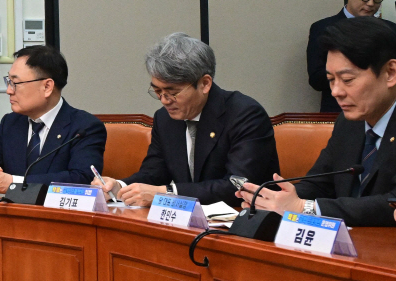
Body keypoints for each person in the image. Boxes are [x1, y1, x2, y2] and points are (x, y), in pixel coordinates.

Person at [239, 17, 396, 227]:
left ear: (390, 73)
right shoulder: (350, 122)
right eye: (331, 80)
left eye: (347, 80)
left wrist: (305, 208)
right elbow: (318, 185)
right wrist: (272, 201)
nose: (336, 92)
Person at [94, 33, 278, 207]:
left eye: (172, 92)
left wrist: (168, 193)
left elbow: (238, 186)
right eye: (157, 91)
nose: (164, 100)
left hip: (244, 218)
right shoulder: (164, 118)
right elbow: (154, 173)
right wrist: (119, 187)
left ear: (205, 84)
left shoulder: (245, 114)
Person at [0, 45, 106, 194]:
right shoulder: (10, 123)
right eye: (8, 81)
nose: (9, 90)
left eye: (15, 83)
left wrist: (13, 183)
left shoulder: (84, 127)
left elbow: (83, 179)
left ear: (47, 87)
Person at [307, 0, 396, 113]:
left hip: (382, 112)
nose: (371, 3)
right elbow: (316, 79)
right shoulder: (323, 28)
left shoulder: (391, 30)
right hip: (339, 112)